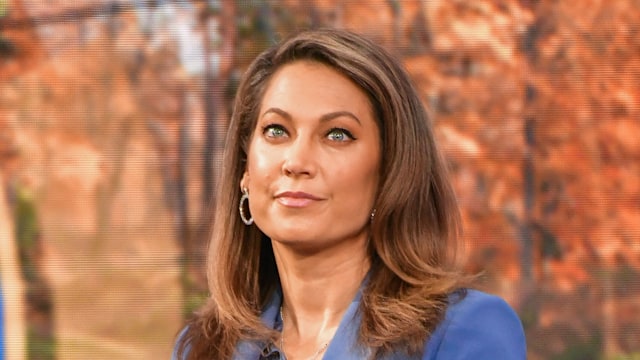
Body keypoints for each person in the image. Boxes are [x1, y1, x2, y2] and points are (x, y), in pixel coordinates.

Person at [173, 28, 526, 359]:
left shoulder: (464, 331)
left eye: (337, 135)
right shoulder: (203, 345)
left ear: (391, 171)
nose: (296, 162)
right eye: (276, 130)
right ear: (245, 170)